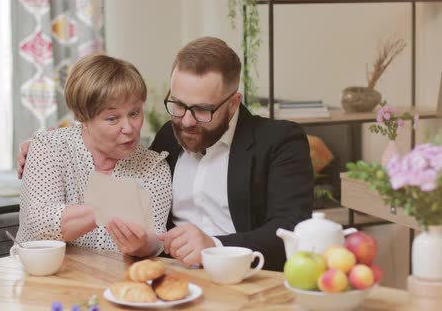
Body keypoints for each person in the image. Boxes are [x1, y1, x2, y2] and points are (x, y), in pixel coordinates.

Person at [18, 37, 313, 271]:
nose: (185, 121)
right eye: (178, 104)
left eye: (201, 110)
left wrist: (215, 245)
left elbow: (289, 230)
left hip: (243, 276)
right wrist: (44, 149)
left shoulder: (279, 140)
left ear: (233, 103)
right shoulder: (167, 140)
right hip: (168, 275)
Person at [16, 54, 172, 258]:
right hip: (42, 276)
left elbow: (156, 237)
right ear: (83, 117)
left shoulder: (153, 165)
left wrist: (141, 245)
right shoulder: (49, 147)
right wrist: (114, 202)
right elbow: (40, 224)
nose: (129, 128)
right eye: (113, 118)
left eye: (134, 113)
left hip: (113, 282)